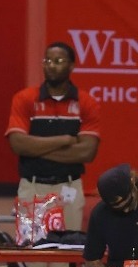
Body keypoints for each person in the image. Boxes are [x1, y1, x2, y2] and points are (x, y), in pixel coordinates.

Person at [6, 42, 100, 232]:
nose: (51, 65)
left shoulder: (86, 102)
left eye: (58, 61)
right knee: (30, 250)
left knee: (67, 249)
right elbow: (18, 145)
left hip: (69, 188)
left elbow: (87, 152)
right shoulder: (24, 98)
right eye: (47, 60)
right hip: (32, 187)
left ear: (71, 66)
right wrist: (65, 140)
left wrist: (35, 149)